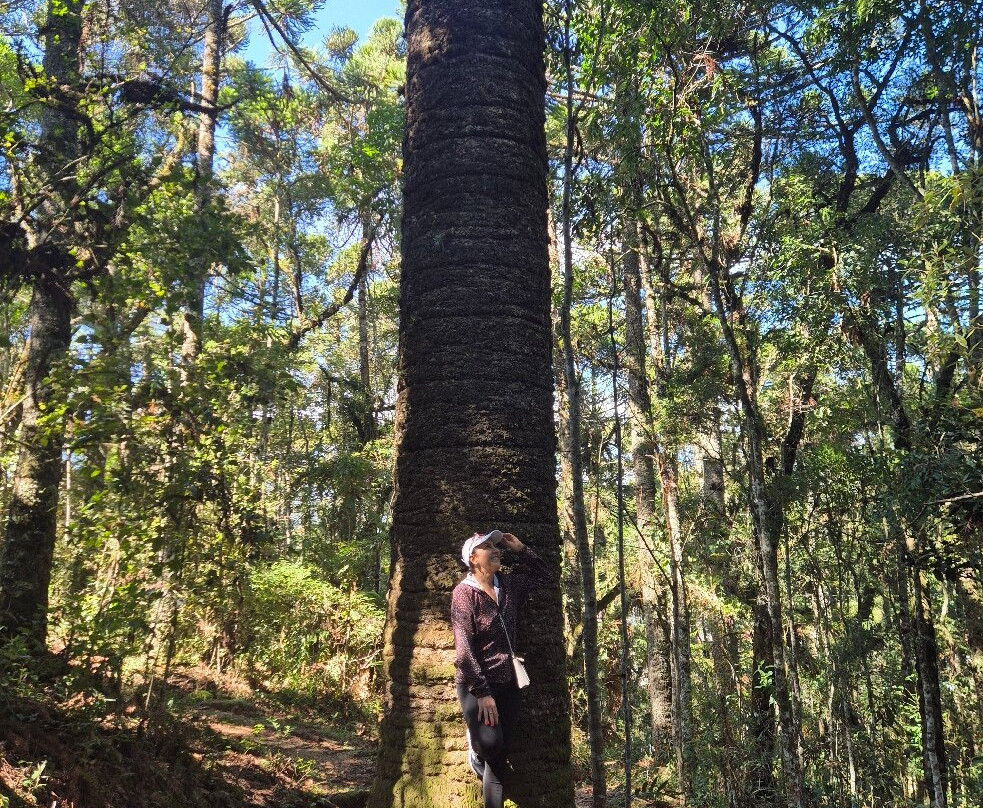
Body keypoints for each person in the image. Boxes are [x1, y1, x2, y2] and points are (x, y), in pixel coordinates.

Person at [451, 528, 553, 808]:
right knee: (492, 746)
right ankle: (476, 748)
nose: (496, 550)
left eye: (496, 546)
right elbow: (463, 649)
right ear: (473, 558)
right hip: (477, 684)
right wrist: (482, 692)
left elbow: (545, 576)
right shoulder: (464, 594)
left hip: (509, 680)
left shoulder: (507, 585)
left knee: (501, 751)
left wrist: (521, 549)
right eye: (487, 547)